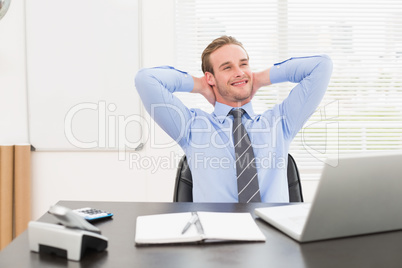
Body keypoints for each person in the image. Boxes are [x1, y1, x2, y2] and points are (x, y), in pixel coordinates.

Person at [135, 35, 332, 203]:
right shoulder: (191, 127)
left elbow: (321, 66)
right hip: (217, 239)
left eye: (243, 64)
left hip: (273, 239)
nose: (239, 72)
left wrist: (260, 78)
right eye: (227, 67)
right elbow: (146, 79)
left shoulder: (281, 122)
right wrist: (200, 85)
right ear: (210, 77)